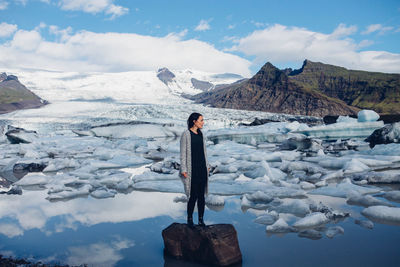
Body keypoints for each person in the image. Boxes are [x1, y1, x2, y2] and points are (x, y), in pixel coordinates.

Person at [180, 112, 209, 227]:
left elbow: (204, 152)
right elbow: (183, 153)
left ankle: (201, 220)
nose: (203, 122)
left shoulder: (201, 134)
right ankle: (190, 219)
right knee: (193, 195)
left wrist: (207, 165)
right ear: (194, 121)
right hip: (192, 169)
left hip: (202, 168)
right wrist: (183, 169)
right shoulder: (186, 134)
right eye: (201, 120)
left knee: (201, 196)